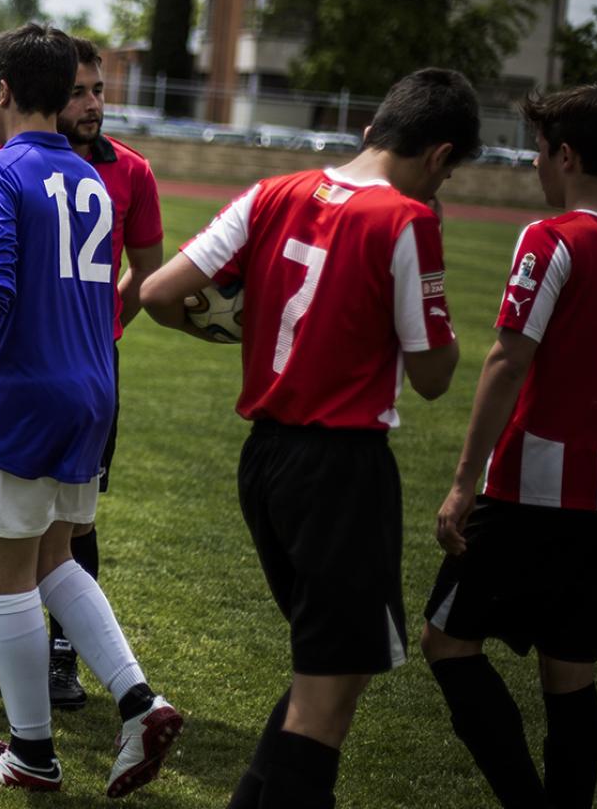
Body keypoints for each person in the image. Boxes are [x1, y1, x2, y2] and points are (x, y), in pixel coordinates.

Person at [140, 68, 473, 808]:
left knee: (323, 677)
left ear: (370, 129)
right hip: (342, 471)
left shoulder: (272, 191)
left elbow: (158, 293)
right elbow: (433, 375)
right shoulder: (407, 220)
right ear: (441, 157)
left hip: (266, 460)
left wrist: (236, 328)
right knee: (327, 702)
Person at [0, 23, 181, 796]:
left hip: (26, 395)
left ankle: (31, 753)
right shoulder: (95, 176)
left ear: (0, 90)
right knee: (55, 559)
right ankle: (140, 701)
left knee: (6, 577)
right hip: (93, 391)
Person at [421, 84, 597, 809]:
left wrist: (464, 480)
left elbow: (508, 361)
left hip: (531, 490)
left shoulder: (552, 238)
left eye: (540, 151)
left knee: (446, 643)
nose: (535, 165)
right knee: (572, 675)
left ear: (565, 155)